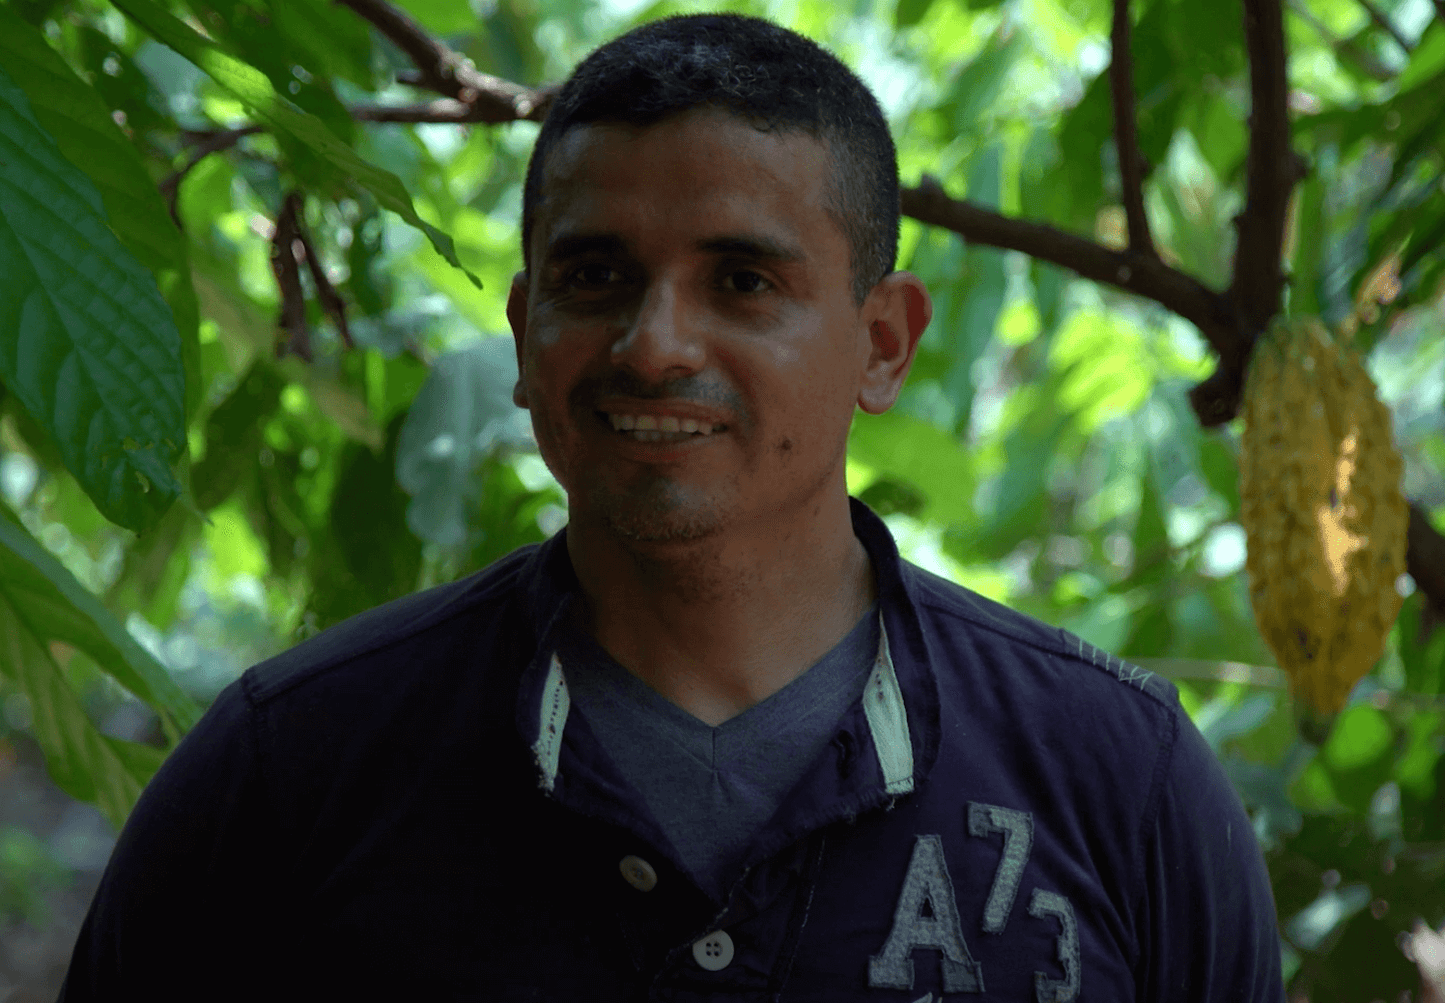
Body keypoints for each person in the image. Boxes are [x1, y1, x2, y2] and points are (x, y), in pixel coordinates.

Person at [59, 13, 1285, 1002]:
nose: (650, 345)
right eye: (595, 277)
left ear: (881, 342)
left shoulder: (1115, 778)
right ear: (525, 328)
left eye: (741, 279)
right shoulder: (292, 769)